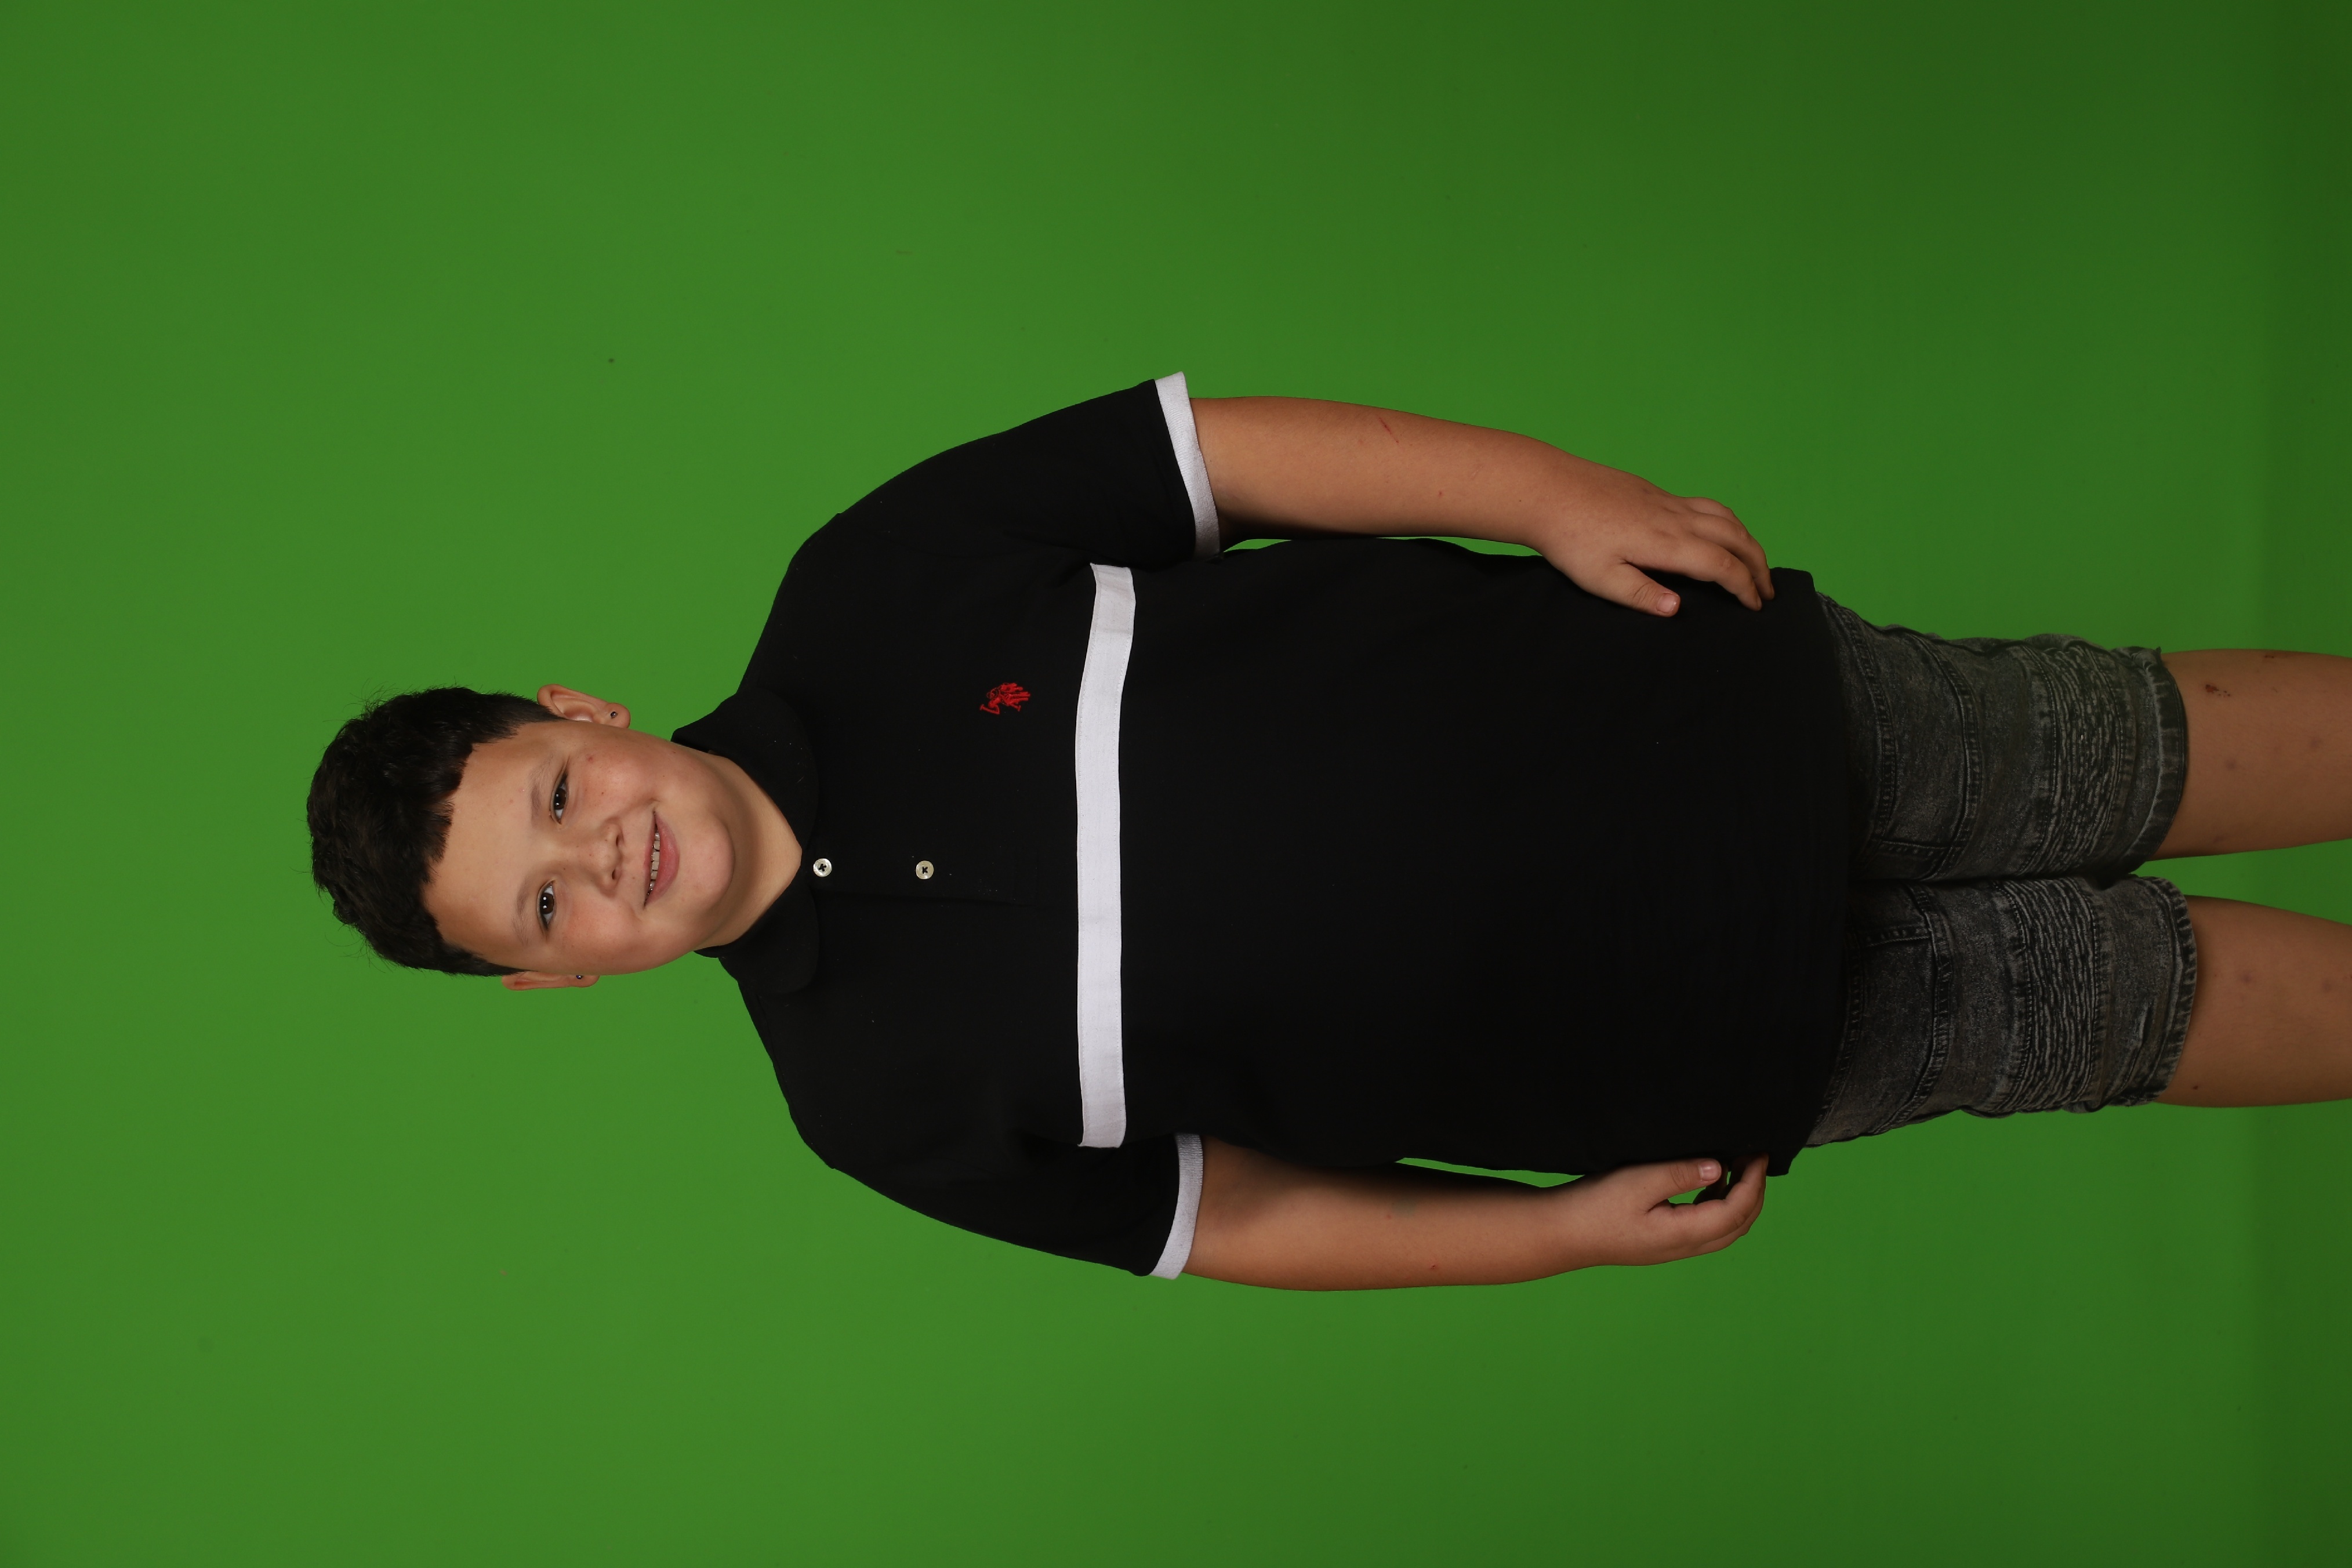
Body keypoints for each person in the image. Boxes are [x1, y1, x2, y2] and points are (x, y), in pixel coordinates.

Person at [307, 376, 2352, 1290]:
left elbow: (1223, 457)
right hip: (1685, 1039)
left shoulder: (869, 584)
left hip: (1687, 712)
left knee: (2107, 746)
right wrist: (1544, 1234)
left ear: (582, 714)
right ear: (556, 980)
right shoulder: (873, 1107)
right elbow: (1244, 1221)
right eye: (547, 905)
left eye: (558, 796)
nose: (604, 855)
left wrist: (1555, 495)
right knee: (2101, 1009)